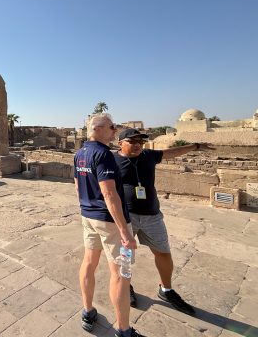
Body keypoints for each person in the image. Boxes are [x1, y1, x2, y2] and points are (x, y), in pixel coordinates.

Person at [114, 128, 201, 316]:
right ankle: (126, 286)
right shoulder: (112, 160)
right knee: (125, 256)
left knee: (163, 252)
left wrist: (195, 146)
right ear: (120, 143)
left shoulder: (149, 156)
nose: (138, 145)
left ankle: (166, 289)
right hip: (126, 216)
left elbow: (171, 152)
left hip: (152, 215)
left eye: (141, 142)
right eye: (132, 141)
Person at [75, 114, 144, 337]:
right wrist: (125, 233)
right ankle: (124, 330)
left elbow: (78, 187)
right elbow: (109, 194)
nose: (115, 130)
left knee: (89, 262)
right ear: (97, 129)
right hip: (109, 222)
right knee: (121, 274)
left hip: (88, 217)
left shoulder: (79, 154)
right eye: (111, 127)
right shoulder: (104, 154)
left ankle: (87, 311)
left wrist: (87, 209)